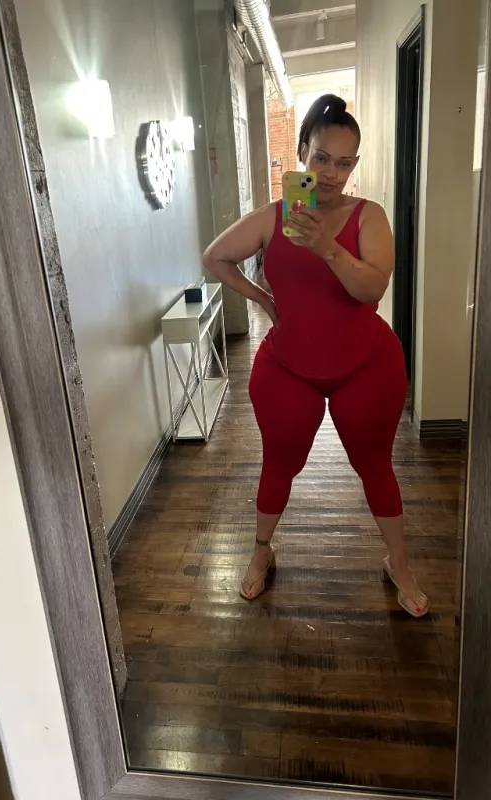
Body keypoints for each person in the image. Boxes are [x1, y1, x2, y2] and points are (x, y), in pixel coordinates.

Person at [203, 94, 428, 618]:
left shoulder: (369, 217)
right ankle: (261, 551)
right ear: (302, 151)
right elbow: (215, 257)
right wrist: (264, 300)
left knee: (376, 466)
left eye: (344, 163)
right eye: (322, 158)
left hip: (366, 365)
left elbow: (371, 288)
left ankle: (399, 563)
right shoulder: (275, 216)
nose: (331, 174)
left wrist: (327, 246)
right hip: (288, 368)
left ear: (354, 165)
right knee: (279, 463)